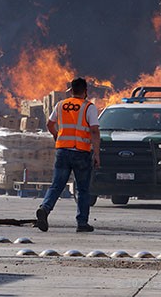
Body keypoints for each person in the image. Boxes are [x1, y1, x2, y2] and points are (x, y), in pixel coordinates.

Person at [35, 77, 101, 233]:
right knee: (83, 189)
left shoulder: (60, 105)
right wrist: (97, 153)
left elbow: (50, 124)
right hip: (81, 153)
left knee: (57, 185)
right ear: (85, 92)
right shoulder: (88, 107)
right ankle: (82, 223)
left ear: (71, 91)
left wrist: (57, 136)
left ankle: (45, 209)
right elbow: (94, 131)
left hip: (63, 151)